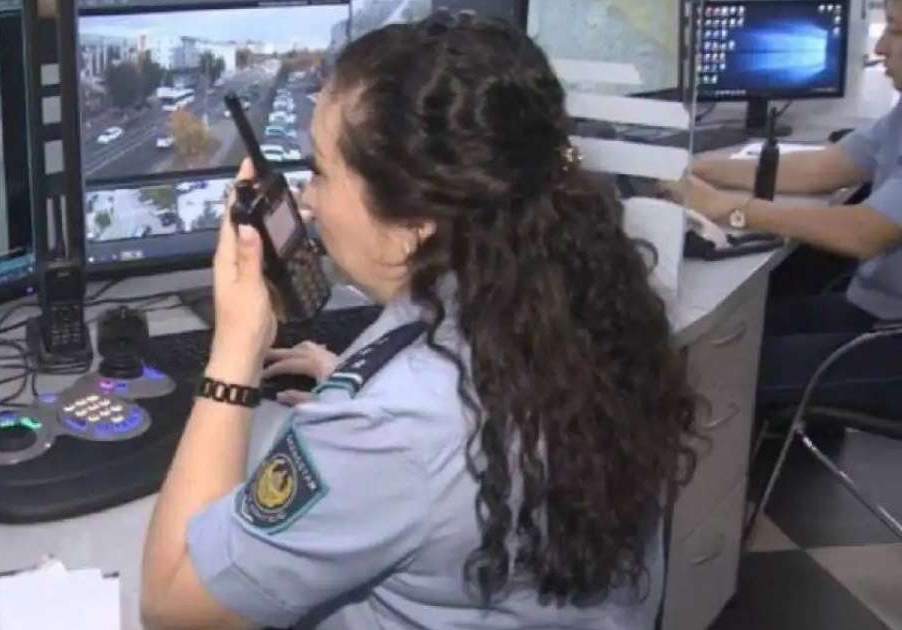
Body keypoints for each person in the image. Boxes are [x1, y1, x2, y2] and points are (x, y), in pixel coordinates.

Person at [140, 14, 697, 630]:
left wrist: (237, 347)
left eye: (321, 170)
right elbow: (450, 428)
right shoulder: (577, 301)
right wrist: (354, 378)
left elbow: (174, 608)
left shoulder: (392, 428)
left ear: (414, 224)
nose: (308, 199)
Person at [669, 0, 902, 419]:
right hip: (874, 309)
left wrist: (732, 209)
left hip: (892, 342)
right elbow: (824, 167)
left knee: (714, 371)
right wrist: (696, 167)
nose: (881, 47)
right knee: (739, 332)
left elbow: (866, 232)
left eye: (897, 32)